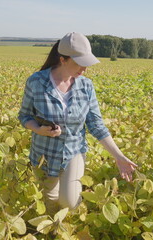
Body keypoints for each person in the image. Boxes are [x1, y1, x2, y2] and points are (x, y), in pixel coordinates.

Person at [18, 32, 137, 214]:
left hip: (73, 151)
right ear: (63, 60)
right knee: (49, 199)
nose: (84, 69)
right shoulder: (36, 82)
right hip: (44, 154)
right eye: (79, 64)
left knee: (70, 201)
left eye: (86, 64)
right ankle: (53, 231)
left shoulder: (86, 86)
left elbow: (96, 125)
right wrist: (38, 130)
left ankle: (66, 224)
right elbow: (25, 116)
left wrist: (118, 157)